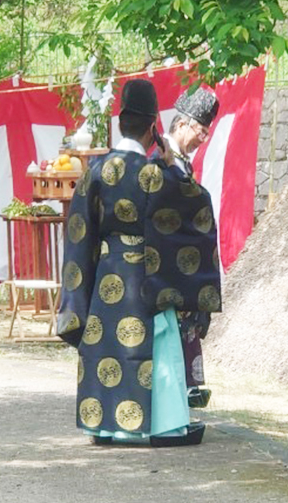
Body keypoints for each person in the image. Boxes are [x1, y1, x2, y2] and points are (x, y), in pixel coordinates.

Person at [56, 78, 222, 445]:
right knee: (155, 348)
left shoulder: (95, 172)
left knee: (108, 348)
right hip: (150, 279)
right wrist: (172, 167)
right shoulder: (156, 174)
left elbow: (79, 238)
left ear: (119, 122)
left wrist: (75, 302)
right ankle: (161, 426)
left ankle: (105, 425)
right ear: (153, 127)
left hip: (107, 279)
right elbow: (197, 211)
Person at [160, 87, 220, 408]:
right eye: (201, 131)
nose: (202, 139)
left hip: (186, 269)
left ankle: (183, 400)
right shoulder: (160, 158)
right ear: (182, 124)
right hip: (170, 267)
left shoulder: (181, 161)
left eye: (207, 133)